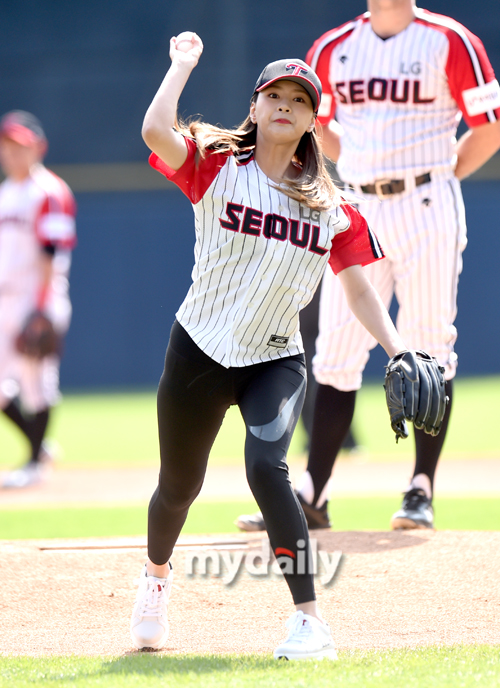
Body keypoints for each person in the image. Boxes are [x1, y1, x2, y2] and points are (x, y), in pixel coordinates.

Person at [129, 31, 416, 659]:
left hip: (275, 359)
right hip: (199, 348)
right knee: (179, 485)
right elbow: (156, 132)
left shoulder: (332, 208)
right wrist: (180, 66)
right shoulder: (215, 166)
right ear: (255, 108)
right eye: (274, 95)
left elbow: (361, 291)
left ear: (315, 119)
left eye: (299, 99)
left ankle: (310, 621)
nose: (285, 104)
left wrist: (398, 349)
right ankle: (155, 581)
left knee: (268, 470)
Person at [295, 0, 500, 530]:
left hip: (427, 203)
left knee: (428, 343)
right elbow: (316, 126)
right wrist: (360, 160)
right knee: (335, 350)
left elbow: (489, 128)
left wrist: (439, 175)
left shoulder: (448, 39)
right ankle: (312, 494)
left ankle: (420, 489)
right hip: (357, 203)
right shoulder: (333, 48)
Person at [0, 111, 76, 489]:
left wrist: (41, 310)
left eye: (20, 146)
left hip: (36, 298)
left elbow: (51, 253)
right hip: (4, 300)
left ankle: (33, 464)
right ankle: (39, 445)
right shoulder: (6, 193)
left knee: (35, 384)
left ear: (38, 148)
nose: (12, 154)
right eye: (6, 146)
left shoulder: (49, 191)